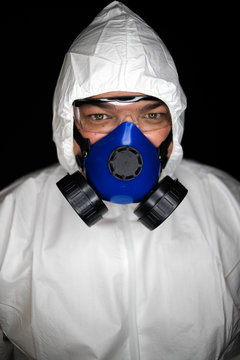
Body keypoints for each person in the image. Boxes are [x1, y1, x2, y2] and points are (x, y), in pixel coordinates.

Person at [0, 1, 239, 359]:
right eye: (100, 116)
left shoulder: (229, 206)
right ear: (70, 124)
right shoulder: (11, 218)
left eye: (151, 114)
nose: (128, 139)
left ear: (174, 123)